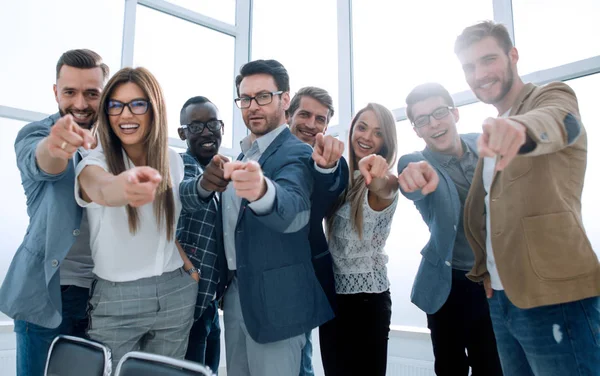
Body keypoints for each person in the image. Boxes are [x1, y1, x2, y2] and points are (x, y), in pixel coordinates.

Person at [453, 20, 600, 375]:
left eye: (488, 60)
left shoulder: (550, 96)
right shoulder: (492, 130)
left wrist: (519, 129)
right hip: (503, 300)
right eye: (470, 67)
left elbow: (560, 121)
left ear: (512, 56)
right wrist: (486, 273)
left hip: (556, 298)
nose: (480, 74)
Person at [180, 59, 333, 376]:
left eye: (263, 96)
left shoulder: (296, 152)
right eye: (245, 99)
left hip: (278, 302)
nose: (253, 106)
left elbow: (293, 209)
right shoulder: (242, 155)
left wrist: (263, 190)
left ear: (285, 100)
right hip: (236, 295)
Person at [75, 67, 198, 370]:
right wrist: (126, 186)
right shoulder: (96, 161)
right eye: (115, 105)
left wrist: (188, 268)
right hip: (118, 299)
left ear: (154, 108)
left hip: (175, 292)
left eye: (137, 104)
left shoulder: (173, 159)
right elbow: (102, 189)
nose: (125, 114)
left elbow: (165, 226)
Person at [0, 49, 107, 376]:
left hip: (103, 299)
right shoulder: (36, 134)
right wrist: (59, 145)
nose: (80, 103)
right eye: (69, 92)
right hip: (46, 295)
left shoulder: (118, 142)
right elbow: (43, 162)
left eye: (91, 93)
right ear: (55, 92)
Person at [397, 82, 503, 375]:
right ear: (416, 130)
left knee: (493, 364)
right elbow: (413, 183)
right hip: (449, 284)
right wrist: (414, 180)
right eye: (422, 120)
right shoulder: (416, 162)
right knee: (450, 367)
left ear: (455, 113)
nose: (433, 124)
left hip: (494, 280)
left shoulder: (484, 144)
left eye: (439, 112)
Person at [320, 103, 398, 376]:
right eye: (362, 127)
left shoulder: (385, 180)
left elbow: (385, 187)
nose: (366, 137)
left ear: (386, 142)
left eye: (377, 133)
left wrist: (377, 173)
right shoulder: (343, 178)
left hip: (368, 302)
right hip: (333, 297)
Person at [288, 87, 348, 376]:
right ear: (288, 115)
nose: (312, 125)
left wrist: (326, 167)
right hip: (259, 276)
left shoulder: (330, 161)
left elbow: (330, 189)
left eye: (320, 119)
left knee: (302, 355)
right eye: (305, 114)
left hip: (309, 274)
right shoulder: (263, 154)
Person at [177, 96, 225, 374]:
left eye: (212, 124)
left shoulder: (226, 170)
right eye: (196, 127)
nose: (206, 132)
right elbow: (188, 192)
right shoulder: (181, 166)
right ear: (183, 133)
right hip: (187, 303)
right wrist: (206, 185)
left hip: (211, 301)